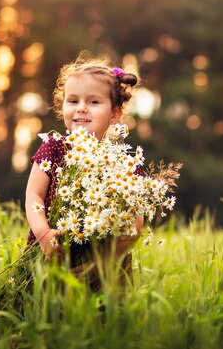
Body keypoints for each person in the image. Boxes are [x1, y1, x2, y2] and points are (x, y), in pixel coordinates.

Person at [24, 54, 142, 290]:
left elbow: (136, 222)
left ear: (114, 114)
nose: (81, 109)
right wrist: (44, 234)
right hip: (52, 251)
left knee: (101, 319)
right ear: (62, 105)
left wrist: (104, 261)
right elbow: (33, 196)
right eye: (73, 101)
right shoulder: (54, 147)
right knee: (43, 308)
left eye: (93, 102)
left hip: (104, 262)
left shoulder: (122, 162)